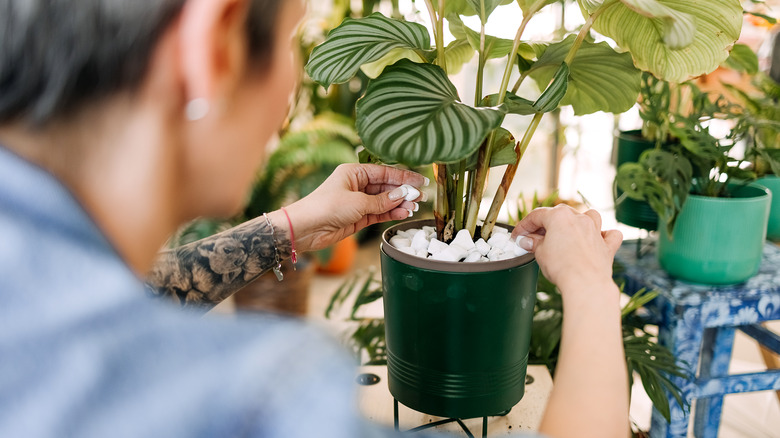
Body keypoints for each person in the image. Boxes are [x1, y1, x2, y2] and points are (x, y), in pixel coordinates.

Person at [0, 0, 627, 437]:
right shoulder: (250, 396)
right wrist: (591, 286)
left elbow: (136, 298)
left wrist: (291, 225)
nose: (296, 80)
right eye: (295, 38)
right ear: (213, 45)